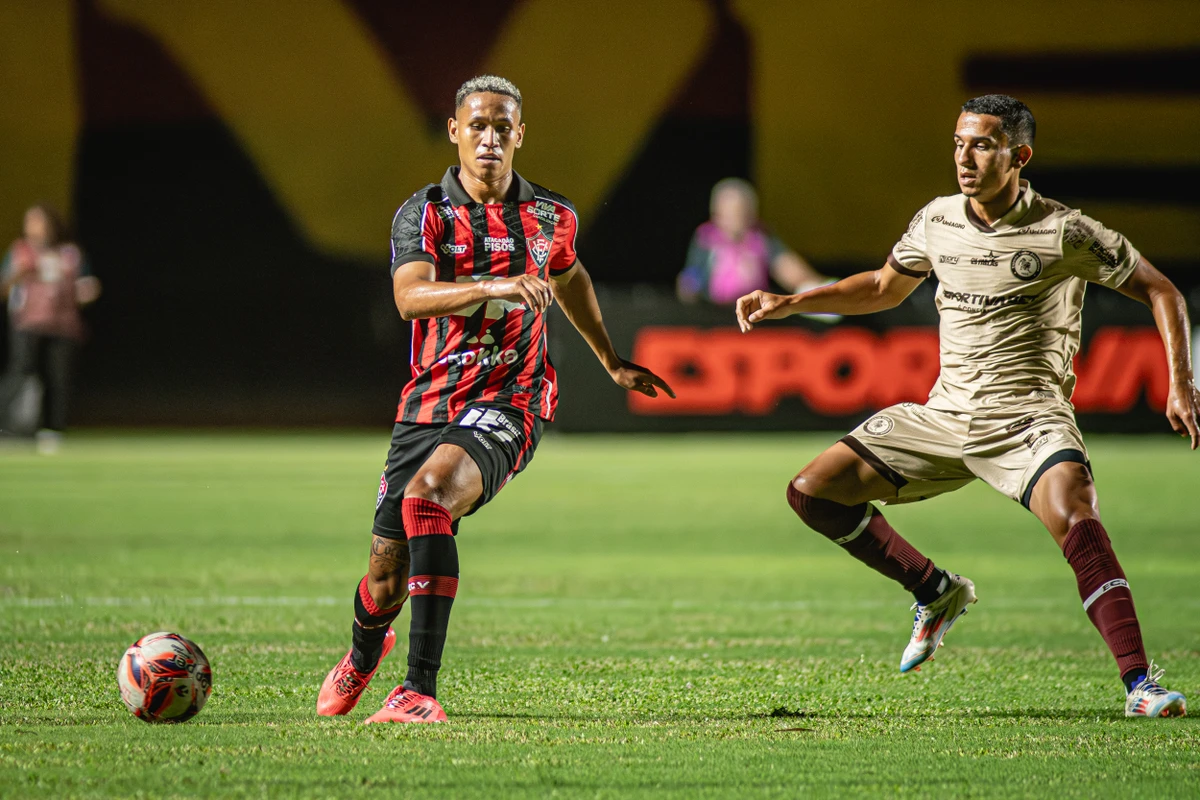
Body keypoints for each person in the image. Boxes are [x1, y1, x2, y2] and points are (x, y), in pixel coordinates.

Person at [735, 95, 1196, 718]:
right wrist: (792, 302)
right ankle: (934, 590)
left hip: (1028, 418)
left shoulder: (1065, 230)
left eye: (981, 144)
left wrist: (1181, 383)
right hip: (946, 414)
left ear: (1018, 155)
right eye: (958, 143)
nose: (965, 157)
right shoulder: (938, 220)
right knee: (811, 492)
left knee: (1076, 515)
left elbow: (1160, 290)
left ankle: (1140, 685)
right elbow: (879, 287)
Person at [317, 75, 675, 724]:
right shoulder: (423, 212)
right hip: (427, 404)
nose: (489, 138)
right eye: (477, 125)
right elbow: (408, 297)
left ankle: (418, 692)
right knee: (384, 575)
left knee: (429, 497)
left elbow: (569, 276)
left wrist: (610, 359)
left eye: (502, 127)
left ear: (520, 135)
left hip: (515, 398)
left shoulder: (550, 216)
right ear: (454, 131)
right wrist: (496, 285)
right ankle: (364, 653)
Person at [0, 205, 100, 452]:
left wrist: (88, 292)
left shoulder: (70, 254)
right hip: (28, 321)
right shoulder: (21, 251)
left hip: (62, 324)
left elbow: (83, 286)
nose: (34, 227)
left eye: (39, 221)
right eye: (29, 222)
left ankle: (52, 430)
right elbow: (4, 287)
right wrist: (19, 273)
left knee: (58, 377)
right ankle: (7, 424)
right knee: (21, 370)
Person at [677, 178, 829, 305]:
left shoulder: (760, 238)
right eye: (726, 213)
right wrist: (689, 285)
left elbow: (789, 269)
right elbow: (691, 276)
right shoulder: (706, 238)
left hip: (754, 316)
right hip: (713, 315)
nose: (732, 219)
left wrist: (819, 288)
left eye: (739, 212)